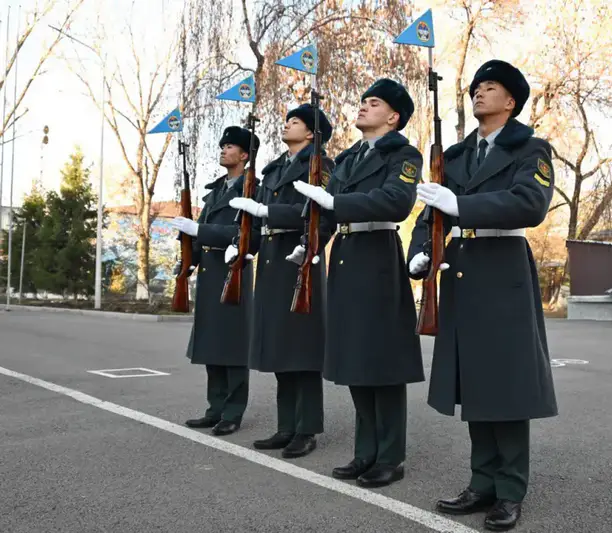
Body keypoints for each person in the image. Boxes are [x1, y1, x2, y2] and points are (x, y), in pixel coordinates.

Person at [407, 60, 558, 531]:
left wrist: (463, 204)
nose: (479, 93)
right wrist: (420, 254)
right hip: (462, 269)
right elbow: (432, 214)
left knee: (506, 385)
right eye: (475, 88)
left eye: (489, 88)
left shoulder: (529, 148)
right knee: (475, 381)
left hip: (503, 265)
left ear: (510, 101)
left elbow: (530, 205)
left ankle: (510, 490)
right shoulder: (452, 157)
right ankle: (482, 483)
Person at [289, 78, 424, 487]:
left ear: (393, 116)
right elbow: (326, 212)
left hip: (377, 254)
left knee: (382, 362)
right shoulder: (348, 158)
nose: (363, 107)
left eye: (374, 102)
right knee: (356, 360)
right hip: (345, 258)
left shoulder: (403, 153)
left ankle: (390, 456)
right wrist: (310, 245)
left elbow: (397, 202)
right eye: (363, 100)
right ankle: (365, 451)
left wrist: (336, 203)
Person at [226, 104, 335, 458]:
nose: (287, 124)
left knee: (302, 352)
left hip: (298, 259)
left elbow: (320, 213)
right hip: (273, 261)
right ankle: (285, 425)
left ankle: (306, 429)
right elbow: (253, 221)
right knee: (280, 350)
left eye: (296, 121)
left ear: (312, 133)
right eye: (288, 119)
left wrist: (269, 213)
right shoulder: (272, 169)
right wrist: (240, 247)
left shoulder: (322, 167)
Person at [170, 125, 260, 437]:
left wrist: (200, 232)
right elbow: (198, 233)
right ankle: (215, 408)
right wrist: (187, 262)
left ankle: (233, 412)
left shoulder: (253, 190)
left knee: (233, 347)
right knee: (212, 346)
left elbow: (248, 235)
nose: (223, 150)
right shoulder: (216, 190)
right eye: (222, 145)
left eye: (230, 146)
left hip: (232, 271)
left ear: (245, 155)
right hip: (210, 274)